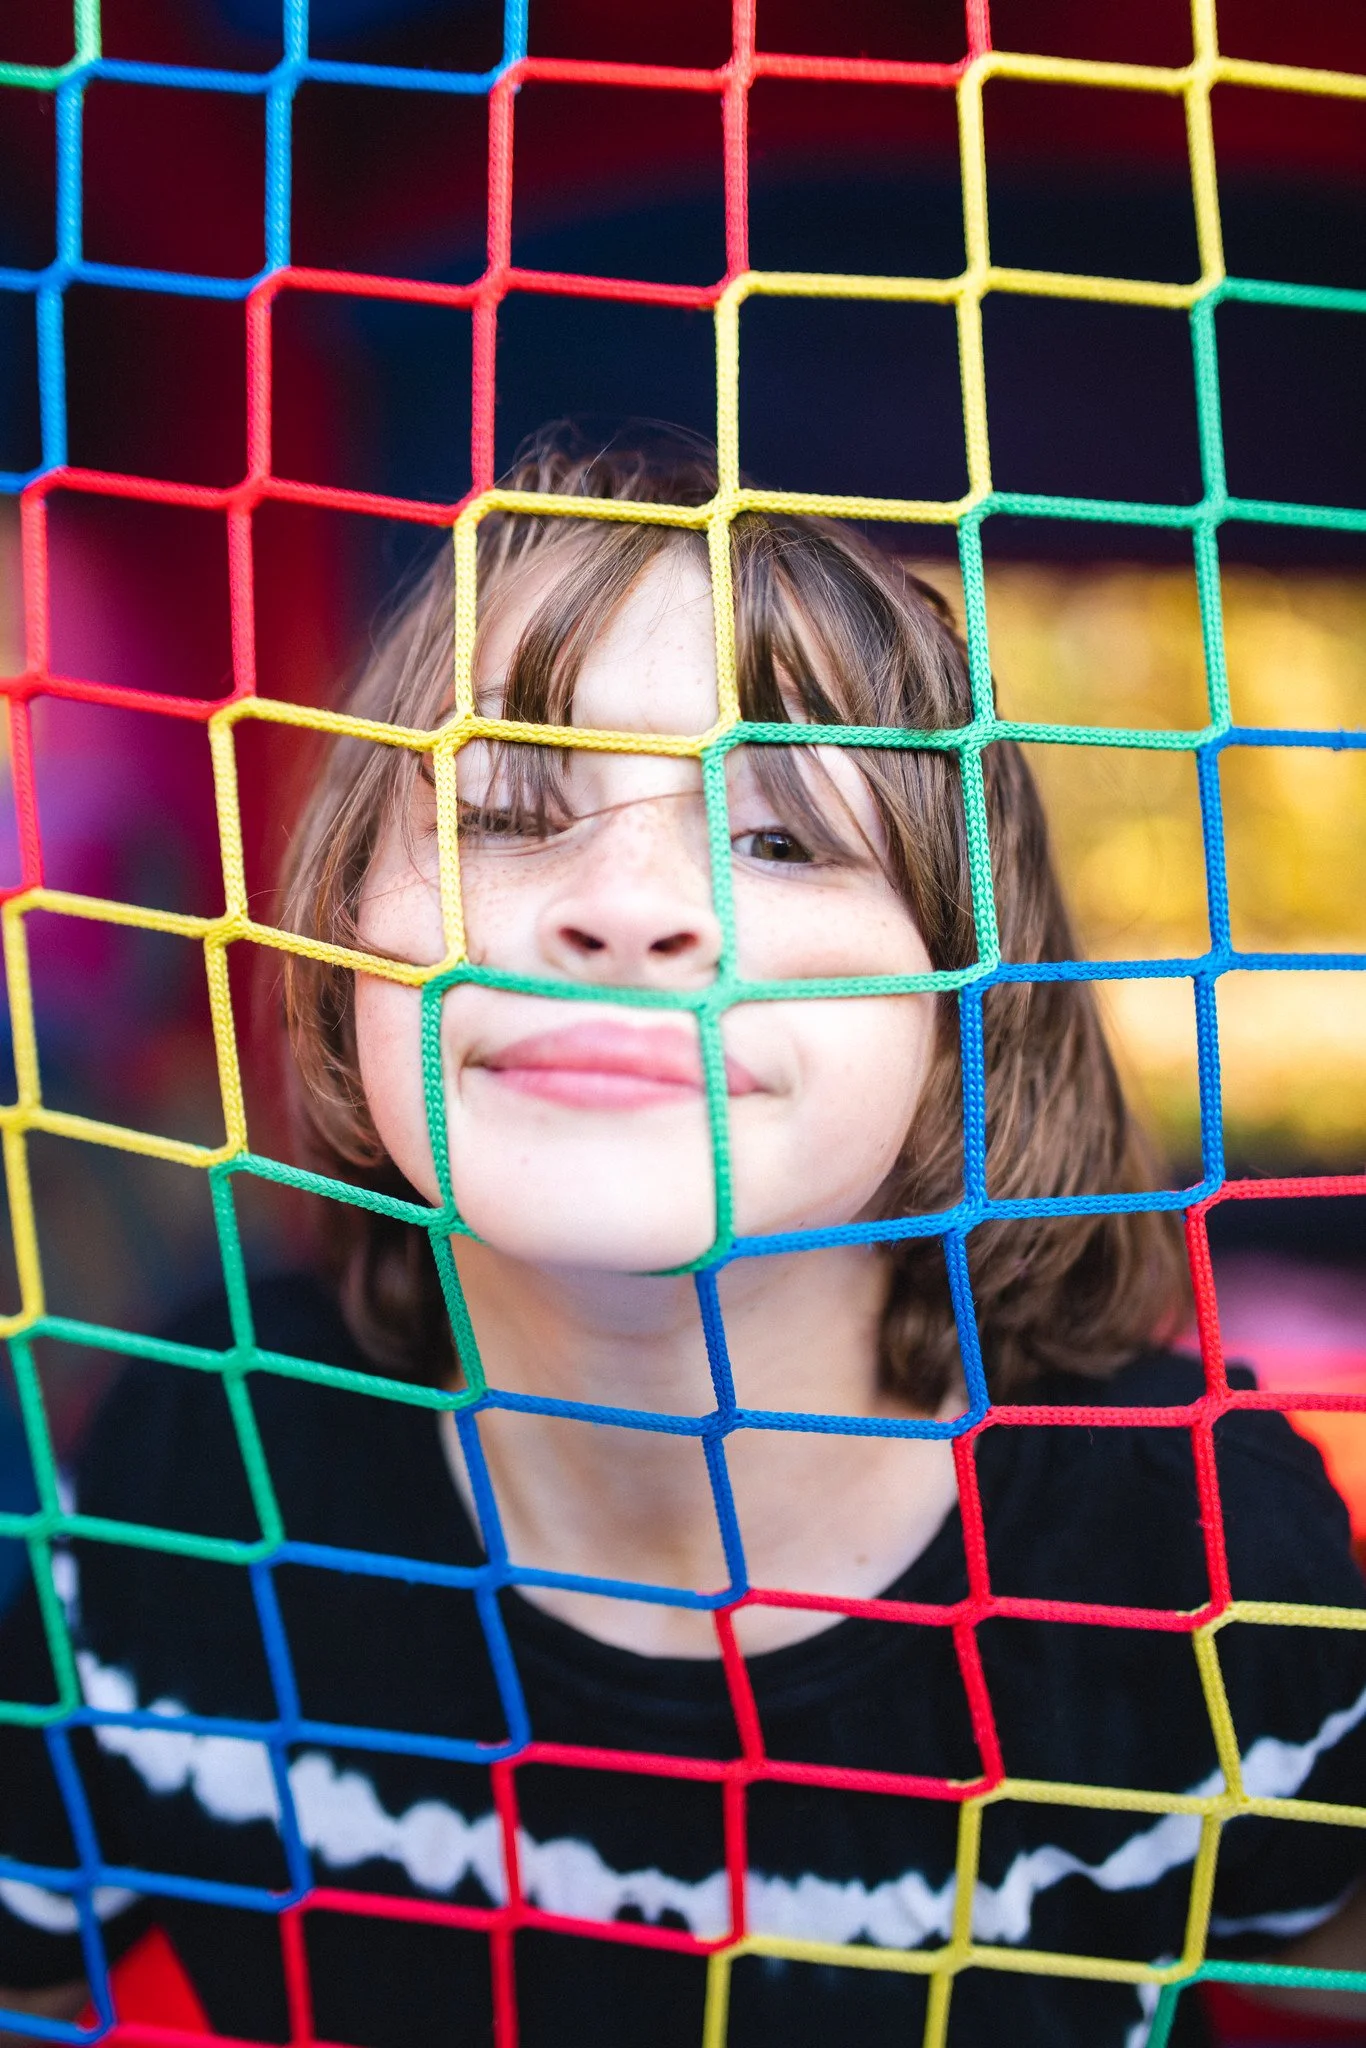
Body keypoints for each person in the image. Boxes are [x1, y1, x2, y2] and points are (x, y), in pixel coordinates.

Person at [1, 424, 1364, 2047]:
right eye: (505, 813)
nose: (633, 904)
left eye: (778, 836)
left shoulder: (1196, 1563)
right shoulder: (190, 1481)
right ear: (339, 952)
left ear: (960, 1020)